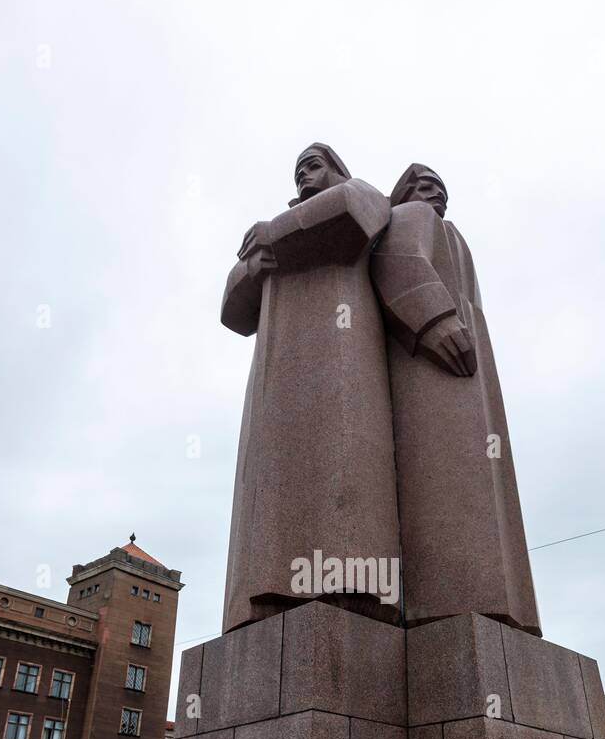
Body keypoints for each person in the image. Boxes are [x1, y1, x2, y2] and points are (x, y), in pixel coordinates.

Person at [220, 144, 401, 631]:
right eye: (297, 169)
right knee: (273, 477)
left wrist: (273, 239)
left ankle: (351, 584)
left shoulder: (357, 192)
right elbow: (233, 310)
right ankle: (269, 592)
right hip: (275, 374)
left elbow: (352, 216)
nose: (304, 175)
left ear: (337, 168)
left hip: (343, 349)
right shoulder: (279, 232)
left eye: (313, 164)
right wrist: (258, 263)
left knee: (341, 461)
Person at [370, 163, 541, 634]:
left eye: (441, 189)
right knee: (453, 475)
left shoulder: (451, 233)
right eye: (425, 187)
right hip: (434, 362)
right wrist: (434, 321)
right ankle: (462, 600)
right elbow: (397, 261)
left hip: (464, 356)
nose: (435, 195)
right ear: (405, 193)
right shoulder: (412, 217)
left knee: (482, 482)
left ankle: (496, 606)